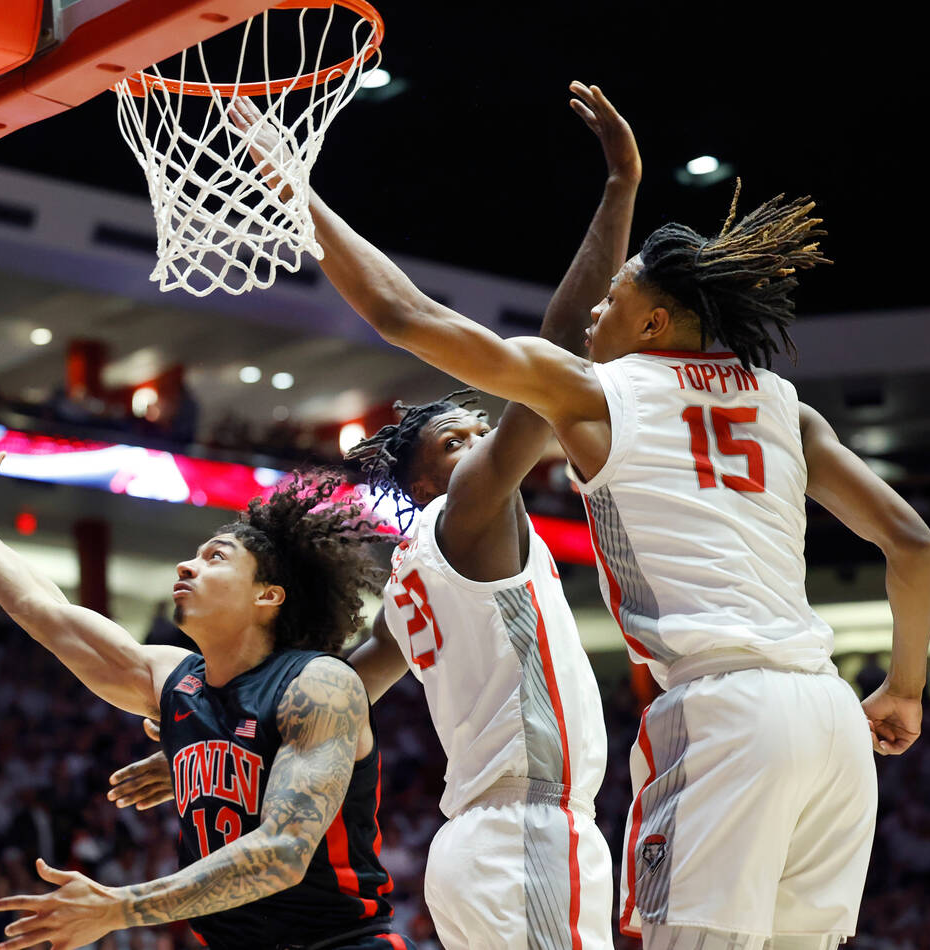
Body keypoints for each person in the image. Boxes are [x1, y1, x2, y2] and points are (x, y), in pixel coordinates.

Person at [236, 97, 930, 950]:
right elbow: (912, 543)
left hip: (726, 716)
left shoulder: (597, 395)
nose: (600, 313)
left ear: (653, 322)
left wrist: (291, 186)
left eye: (618, 298)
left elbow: (407, 317)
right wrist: (904, 687)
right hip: (831, 721)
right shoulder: (787, 410)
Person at [111, 82, 640, 950]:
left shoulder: (412, 577)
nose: (478, 439)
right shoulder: (469, 519)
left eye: (482, 428)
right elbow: (555, 356)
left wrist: (208, 747)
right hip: (528, 835)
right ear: (428, 477)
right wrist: (620, 188)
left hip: (475, 847)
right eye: (455, 438)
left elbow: (340, 684)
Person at [0, 448, 413, 950]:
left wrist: (120, 907)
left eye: (215, 557)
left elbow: (284, 852)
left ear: (267, 595)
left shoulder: (317, 683)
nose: (187, 566)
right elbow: (42, 610)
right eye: (192, 556)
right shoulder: (172, 679)